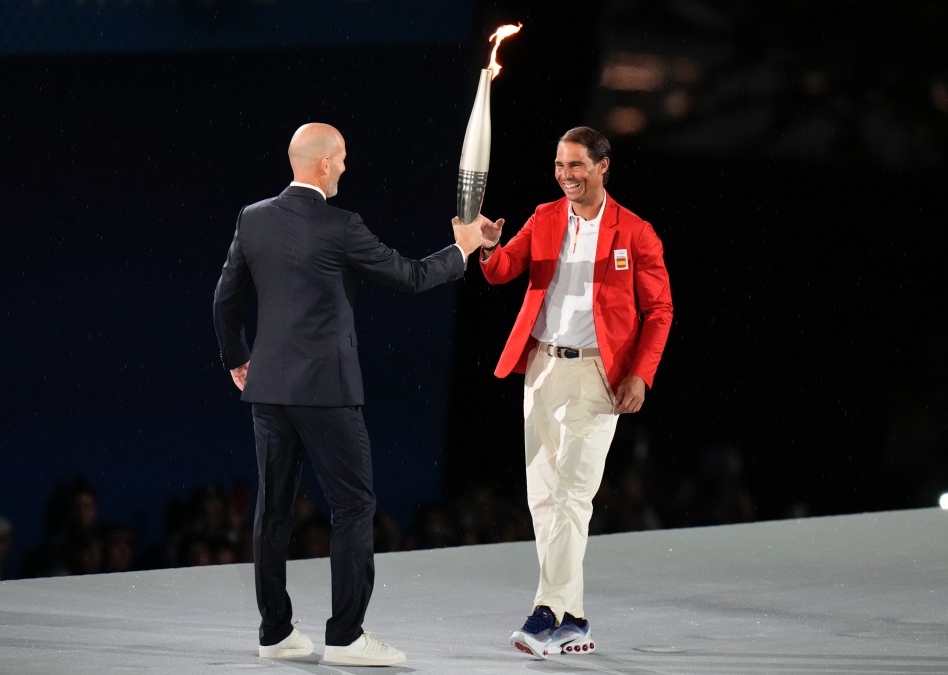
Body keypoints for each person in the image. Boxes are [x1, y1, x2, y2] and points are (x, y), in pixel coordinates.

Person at [212, 122, 485, 667]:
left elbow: (225, 301)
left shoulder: (253, 218)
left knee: (273, 510)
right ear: (322, 164)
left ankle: (274, 633)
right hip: (327, 392)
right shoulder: (341, 226)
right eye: (340, 160)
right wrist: (462, 249)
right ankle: (347, 637)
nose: (343, 168)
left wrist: (238, 359)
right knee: (354, 506)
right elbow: (409, 276)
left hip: (268, 390)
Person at [478, 126, 673, 658]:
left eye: (577, 166)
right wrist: (489, 247)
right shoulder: (544, 218)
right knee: (542, 497)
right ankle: (576, 620)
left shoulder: (635, 232)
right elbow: (501, 272)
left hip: (598, 377)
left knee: (573, 495)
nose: (566, 175)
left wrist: (641, 374)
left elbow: (659, 311)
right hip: (541, 367)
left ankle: (547, 612)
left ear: (603, 166)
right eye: (560, 166)